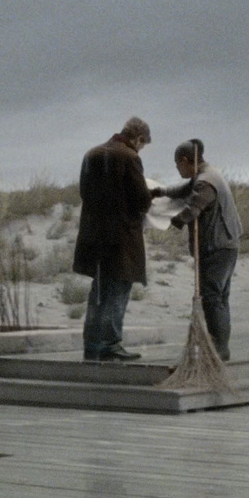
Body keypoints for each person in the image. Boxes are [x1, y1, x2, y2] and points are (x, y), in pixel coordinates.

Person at [151, 139, 243, 361]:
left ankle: (219, 349)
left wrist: (163, 219)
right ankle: (219, 348)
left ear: (185, 160)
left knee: (213, 297)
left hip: (218, 247)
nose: (177, 168)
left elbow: (192, 210)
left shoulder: (205, 182)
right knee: (219, 297)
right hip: (226, 244)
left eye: (176, 164)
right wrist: (159, 191)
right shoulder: (206, 174)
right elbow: (182, 190)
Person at [73, 116, 153, 361]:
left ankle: (92, 346)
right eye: (143, 144)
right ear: (138, 139)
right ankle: (109, 345)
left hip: (92, 235)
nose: (141, 149)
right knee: (118, 289)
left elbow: (84, 192)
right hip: (120, 238)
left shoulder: (91, 154)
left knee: (98, 292)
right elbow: (140, 199)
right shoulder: (129, 157)